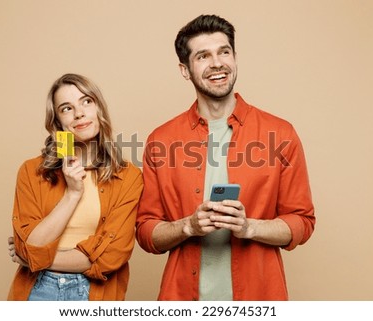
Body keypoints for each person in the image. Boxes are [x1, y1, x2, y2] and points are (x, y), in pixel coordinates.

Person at [135, 14, 315, 300]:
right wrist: (188, 226)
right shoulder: (161, 141)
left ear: (235, 58)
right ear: (185, 70)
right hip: (182, 299)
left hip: (259, 299)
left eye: (224, 52)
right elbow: (146, 232)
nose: (217, 63)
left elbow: (302, 222)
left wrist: (249, 227)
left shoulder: (281, 133)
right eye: (203, 56)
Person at [7, 73, 143, 301]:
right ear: (57, 122)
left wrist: (35, 258)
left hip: (95, 293)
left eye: (86, 101)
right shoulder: (31, 171)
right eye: (66, 108)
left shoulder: (128, 176)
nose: (79, 113)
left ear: (99, 109)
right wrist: (72, 194)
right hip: (39, 290)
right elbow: (30, 244)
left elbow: (111, 256)